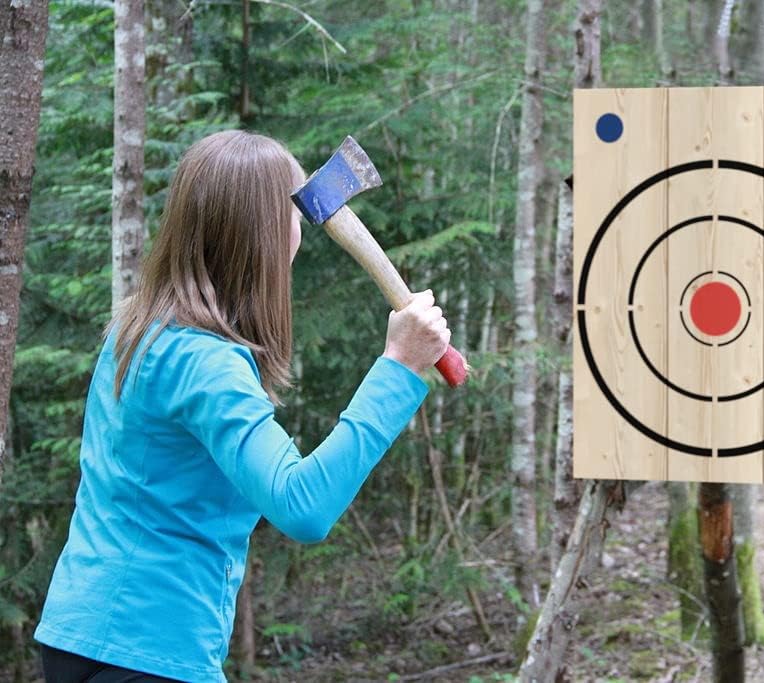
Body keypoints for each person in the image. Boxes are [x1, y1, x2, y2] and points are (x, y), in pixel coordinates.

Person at [32, 130, 451, 682]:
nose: (302, 228)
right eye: (294, 212)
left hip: (76, 636)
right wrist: (397, 367)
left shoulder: (137, 328)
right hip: (151, 653)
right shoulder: (209, 362)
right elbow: (303, 505)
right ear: (266, 232)